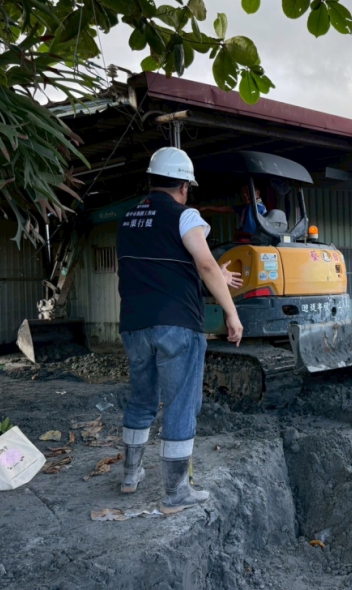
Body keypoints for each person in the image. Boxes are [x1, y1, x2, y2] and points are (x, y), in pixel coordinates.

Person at [116, 147, 244, 508]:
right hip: (177, 324)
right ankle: (176, 492)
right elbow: (203, 264)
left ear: (152, 180)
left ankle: (130, 475)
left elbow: (160, 267)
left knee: (141, 399)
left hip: (134, 325)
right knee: (180, 403)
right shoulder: (185, 215)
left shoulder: (127, 219)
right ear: (185, 186)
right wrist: (232, 314)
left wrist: (217, 275)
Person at [197, 185, 268, 235]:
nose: (245, 195)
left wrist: (238, 233)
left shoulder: (253, 208)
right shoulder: (249, 207)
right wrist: (207, 207)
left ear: (257, 193)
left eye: (247, 192)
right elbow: (228, 209)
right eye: (243, 193)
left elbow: (249, 233)